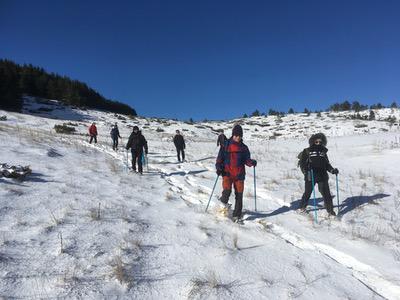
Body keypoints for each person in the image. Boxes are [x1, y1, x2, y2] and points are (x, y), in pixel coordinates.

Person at [215, 124, 257, 223]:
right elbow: (219, 159)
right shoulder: (225, 145)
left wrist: (251, 162)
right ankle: (222, 207)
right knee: (226, 192)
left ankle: (236, 215)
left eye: (239, 136)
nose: (238, 137)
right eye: (236, 135)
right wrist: (218, 167)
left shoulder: (244, 148)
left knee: (239, 196)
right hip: (227, 173)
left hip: (239, 175)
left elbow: (246, 160)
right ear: (233, 135)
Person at [298, 133, 339, 216]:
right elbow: (302, 163)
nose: (318, 143)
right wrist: (306, 170)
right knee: (308, 192)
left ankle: (330, 211)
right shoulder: (307, 151)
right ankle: (302, 207)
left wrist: (332, 170)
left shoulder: (323, 152)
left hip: (322, 175)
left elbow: (327, 164)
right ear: (313, 141)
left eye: (320, 142)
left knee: (326, 193)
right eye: (316, 142)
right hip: (310, 175)